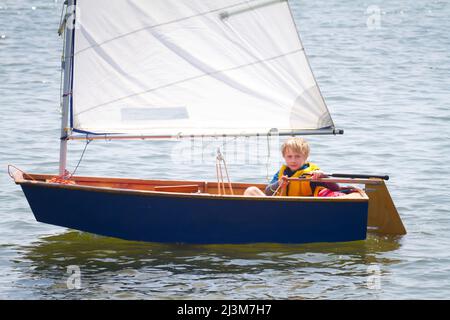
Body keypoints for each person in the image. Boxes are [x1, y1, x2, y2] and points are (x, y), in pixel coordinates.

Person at [244, 137, 347, 197]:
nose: (293, 160)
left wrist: (323, 177)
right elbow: (268, 192)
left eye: (297, 156)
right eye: (289, 156)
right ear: (284, 157)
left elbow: (336, 188)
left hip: (301, 210)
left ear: (305, 157)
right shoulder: (282, 173)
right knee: (251, 190)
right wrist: (278, 184)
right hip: (279, 208)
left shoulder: (312, 173)